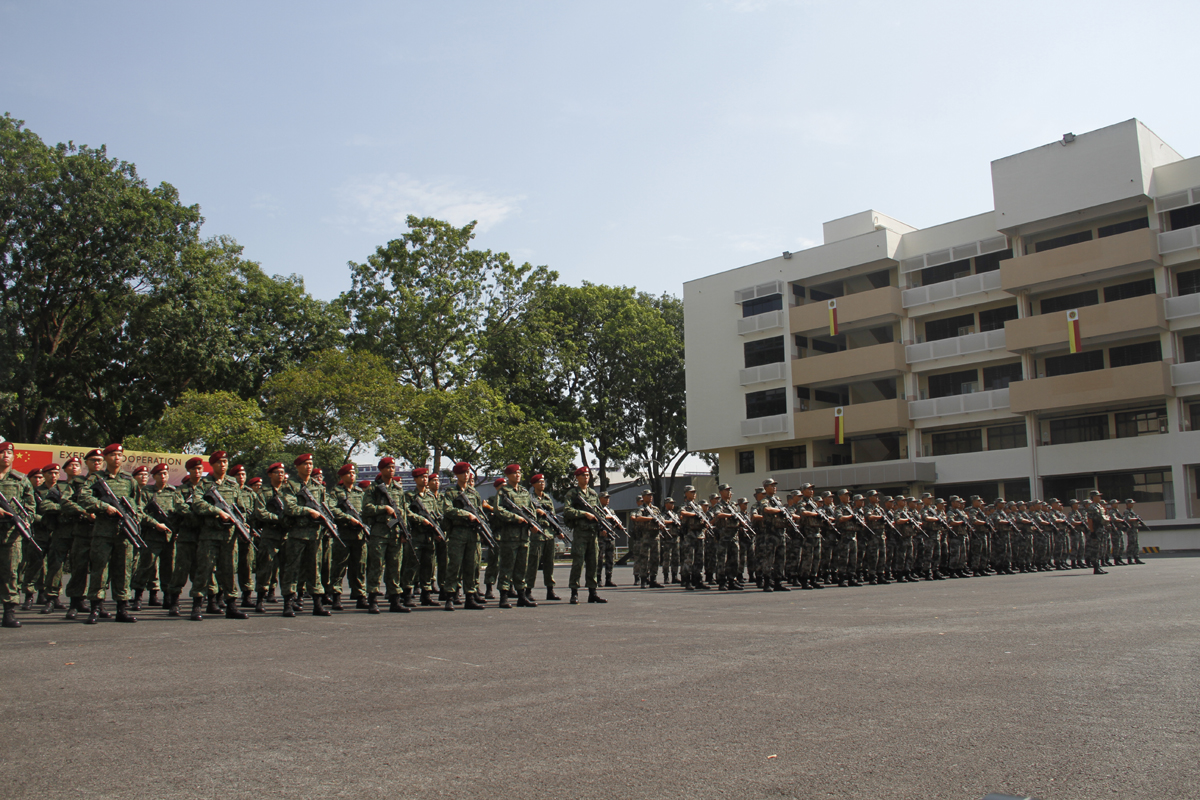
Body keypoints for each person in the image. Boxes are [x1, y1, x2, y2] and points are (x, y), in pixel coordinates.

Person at [190, 451, 247, 620]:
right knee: (204, 569)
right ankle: (197, 606)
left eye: (225, 462)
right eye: (219, 462)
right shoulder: (204, 483)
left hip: (229, 535)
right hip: (210, 534)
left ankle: (231, 605)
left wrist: (242, 522)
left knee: (229, 570)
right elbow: (197, 503)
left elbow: (241, 507)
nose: (223, 465)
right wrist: (217, 512)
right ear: (213, 465)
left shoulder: (233, 484)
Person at [281, 453, 332, 617]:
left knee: (314, 569)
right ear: (297, 467)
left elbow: (326, 507)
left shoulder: (318, 487)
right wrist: (308, 510)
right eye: (305, 464)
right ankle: (288, 603)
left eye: (310, 463)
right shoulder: (291, 485)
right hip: (297, 533)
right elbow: (290, 508)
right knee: (292, 569)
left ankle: (317, 603)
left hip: (315, 534)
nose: (308, 466)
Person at [362, 456, 409, 614]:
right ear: (381, 469)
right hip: (380, 532)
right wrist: (384, 509)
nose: (391, 469)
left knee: (395, 567)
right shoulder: (373, 488)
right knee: (376, 566)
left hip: (395, 532)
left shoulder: (398, 489)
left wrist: (404, 531)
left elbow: (403, 513)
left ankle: (395, 600)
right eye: (388, 467)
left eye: (393, 467)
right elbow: (367, 508)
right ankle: (373, 600)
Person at [131, 463, 180, 610]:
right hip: (152, 536)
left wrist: (176, 530)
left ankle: (168, 597)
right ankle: (138, 597)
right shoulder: (146, 492)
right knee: (146, 566)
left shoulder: (173, 492)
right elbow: (139, 512)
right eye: (160, 474)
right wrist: (155, 524)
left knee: (169, 568)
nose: (163, 477)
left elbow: (179, 512)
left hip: (169, 537)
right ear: (154, 476)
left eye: (165, 473)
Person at [441, 462, 487, 610]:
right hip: (457, 533)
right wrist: (465, 514)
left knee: (471, 566)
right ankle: (449, 596)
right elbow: (447, 509)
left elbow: (479, 512)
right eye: (463, 473)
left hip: (472, 534)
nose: (466, 476)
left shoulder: (474, 493)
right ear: (457, 475)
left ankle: (470, 596)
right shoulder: (450, 492)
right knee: (454, 565)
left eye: (467, 473)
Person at [491, 464, 538, 609]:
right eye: (515, 473)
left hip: (524, 536)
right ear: (508, 475)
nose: (518, 475)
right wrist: (515, 518)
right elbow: (498, 510)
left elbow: (531, 509)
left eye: (519, 472)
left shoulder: (524, 491)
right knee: (507, 566)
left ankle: (521, 595)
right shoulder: (504, 492)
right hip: (509, 536)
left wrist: (532, 522)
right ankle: (504, 596)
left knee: (522, 567)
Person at [0, 441, 35, 629]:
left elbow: (30, 505)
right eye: (2, 452)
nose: (6, 455)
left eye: (9, 453)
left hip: (11, 534)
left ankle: (8, 612)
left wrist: (24, 519)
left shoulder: (21, 479)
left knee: (11, 572)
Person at [563, 466, 608, 604]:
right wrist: (584, 514)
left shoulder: (593, 494)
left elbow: (599, 512)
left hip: (593, 534)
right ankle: (574, 592)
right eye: (583, 475)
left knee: (593, 563)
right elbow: (567, 511)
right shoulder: (572, 493)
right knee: (578, 563)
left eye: (588, 475)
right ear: (577, 477)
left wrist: (603, 525)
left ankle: (592, 592)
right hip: (580, 533)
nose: (586, 478)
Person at [328, 463, 368, 611]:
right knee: (339, 566)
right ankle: (336, 596)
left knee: (359, 567)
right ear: (342, 476)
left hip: (359, 535)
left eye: (353, 473)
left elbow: (366, 510)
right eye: (349, 473)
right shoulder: (336, 492)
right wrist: (347, 518)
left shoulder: (359, 493)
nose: (352, 475)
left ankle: (360, 595)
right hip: (344, 535)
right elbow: (331, 508)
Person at [252, 463, 291, 613]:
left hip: (286, 535)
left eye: (282, 472)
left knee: (287, 570)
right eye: (277, 472)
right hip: (270, 535)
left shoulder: (289, 493)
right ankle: (260, 599)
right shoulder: (264, 493)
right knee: (265, 568)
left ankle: (288, 601)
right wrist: (278, 518)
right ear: (270, 475)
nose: (280, 475)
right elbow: (260, 512)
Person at [403, 467, 445, 607]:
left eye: (426, 477)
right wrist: (421, 520)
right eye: (421, 477)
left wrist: (438, 530)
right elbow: (406, 513)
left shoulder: (430, 496)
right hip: (416, 535)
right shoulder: (409, 496)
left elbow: (436, 514)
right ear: (415, 479)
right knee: (412, 565)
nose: (425, 479)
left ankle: (426, 594)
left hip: (429, 537)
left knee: (429, 566)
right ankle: (407, 594)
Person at [525, 473, 563, 600]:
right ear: (534, 484)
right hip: (537, 535)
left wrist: (558, 530)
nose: (542, 484)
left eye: (543, 482)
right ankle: (528, 589)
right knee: (533, 563)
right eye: (539, 482)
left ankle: (550, 590)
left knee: (549, 564)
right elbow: (526, 513)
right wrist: (536, 511)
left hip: (549, 535)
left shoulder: (547, 498)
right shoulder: (530, 499)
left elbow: (552, 517)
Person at [679, 485, 711, 590]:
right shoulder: (685, 505)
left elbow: (703, 517)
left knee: (699, 559)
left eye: (694, 492)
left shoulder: (698, 506)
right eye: (691, 492)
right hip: (690, 535)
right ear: (686, 493)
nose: (694, 494)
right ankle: (687, 581)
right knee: (689, 559)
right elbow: (682, 513)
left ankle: (698, 580)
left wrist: (705, 523)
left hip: (699, 535)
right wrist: (693, 515)